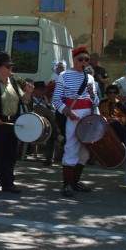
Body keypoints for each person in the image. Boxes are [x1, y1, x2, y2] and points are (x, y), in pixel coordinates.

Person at [0, 52, 32, 194]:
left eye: (11, 66)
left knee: (10, 154)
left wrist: (28, 93)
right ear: (0, 67)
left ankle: (8, 183)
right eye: (8, 66)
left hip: (12, 123)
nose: (10, 69)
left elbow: (24, 100)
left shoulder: (13, 82)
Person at [52, 46, 99, 197]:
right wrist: (68, 111)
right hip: (73, 115)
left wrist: (92, 96)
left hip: (88, 116)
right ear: (74, 59)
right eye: (81, 59)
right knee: (71, 146)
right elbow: (56, 99)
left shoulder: (90, 78)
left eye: (86, 59)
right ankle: (67, 183)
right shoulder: (64, 75)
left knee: (85, 150)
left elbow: (96, 101)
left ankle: (75, 182)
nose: (84, 62)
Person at [29, 80, 59, 166]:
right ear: (34, 90)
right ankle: (59, 136)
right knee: (48, 119)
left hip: (46, 124)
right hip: (35, 121)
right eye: (40, 90)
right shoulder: (30, 98)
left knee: (50, 131)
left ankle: (49, 158)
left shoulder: (45, 99)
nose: (42, 92)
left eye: (43, 90)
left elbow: (54, 111)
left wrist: (47, 103)